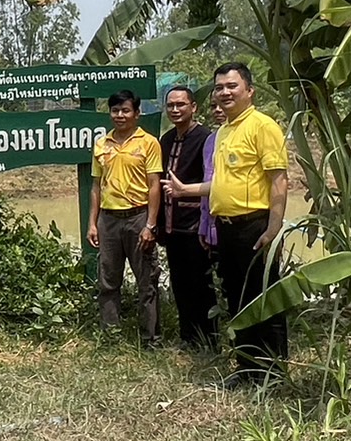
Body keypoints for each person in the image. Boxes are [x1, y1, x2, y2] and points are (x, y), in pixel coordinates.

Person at [205, 62, 290, 385]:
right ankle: (246, 368)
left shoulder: (262, 126)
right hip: (226, 229)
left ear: (249, 91)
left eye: (231, 86)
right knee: (238, 300)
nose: (224, 92)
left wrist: (273, 227)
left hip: (255, 227)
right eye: (219, 88)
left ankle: (273, 372)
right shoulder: (224, 130)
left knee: (263, 299)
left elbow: (279, 180)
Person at [87, 90, 163, 346]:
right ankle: (111, 336)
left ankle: (150, 338)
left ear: (137, 113)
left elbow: (154, 185)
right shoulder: (101, 144)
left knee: (146, 281)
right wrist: (92, 223)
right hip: (108, 220)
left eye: (125, 110)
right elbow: (96, 187)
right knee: (108, 280)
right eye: (115, 111)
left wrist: (150, 225)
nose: (120, 115)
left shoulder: (148, 143)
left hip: (138, 217)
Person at [158, 86, 217, 350]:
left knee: (201, 285)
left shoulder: (206, 138)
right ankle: (187, 337)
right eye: (170, 105)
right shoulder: (167, 140)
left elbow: (212, 182)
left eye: (181, 104)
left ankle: (209, 339)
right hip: (172, 225)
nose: (175, 110)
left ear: (194, 107)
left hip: (196, 224)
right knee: (180, 283)